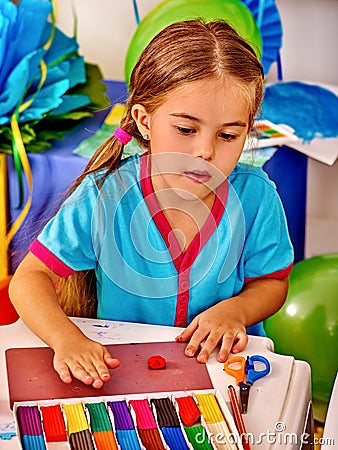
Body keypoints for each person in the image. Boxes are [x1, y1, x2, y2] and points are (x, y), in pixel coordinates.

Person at [9, 19, 294, 389]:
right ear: (145, 121)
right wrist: (67, 339)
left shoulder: (257, 197)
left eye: (227, 135)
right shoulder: (104, 194)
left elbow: (271, 282)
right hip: (122, 373)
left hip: (223, 372)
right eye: (186, 130)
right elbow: (30, 279)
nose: (205, 151)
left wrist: (236, 310)